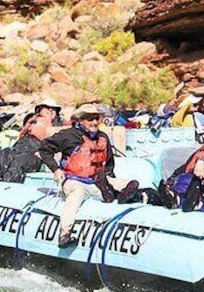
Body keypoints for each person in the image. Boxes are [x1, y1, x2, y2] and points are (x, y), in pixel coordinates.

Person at [37, 104, 138, 249]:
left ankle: (124, 194)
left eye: (96, 118)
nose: (95, 122)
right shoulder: (68, 135)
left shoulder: (103, 138)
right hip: (74, 181)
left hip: (97, 181)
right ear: (80, 120)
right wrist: (56, 169)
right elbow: (44, 149)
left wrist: (109, 179)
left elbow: (109, 164)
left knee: (126, 184)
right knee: (77, 194)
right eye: (90, 119)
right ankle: (64, 233)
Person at [0, 99, 64, 183]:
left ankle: (7, 184)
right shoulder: (32, 119)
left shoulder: (57, 125)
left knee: (18, 163)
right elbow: (21, 135)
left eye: (46, 109)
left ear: (53, 112)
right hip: (18, 148)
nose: (41, 111)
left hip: (35, 153)